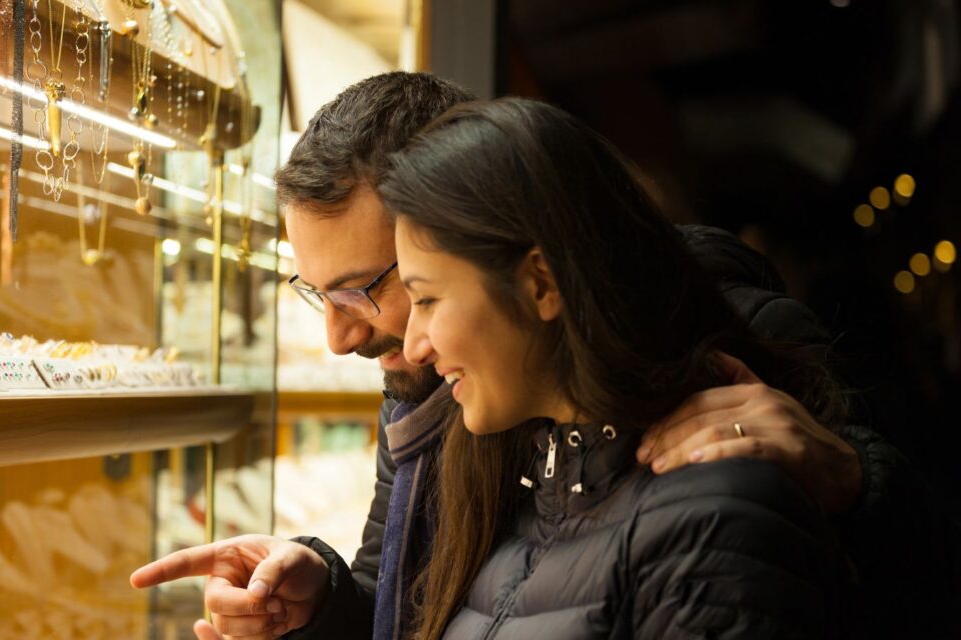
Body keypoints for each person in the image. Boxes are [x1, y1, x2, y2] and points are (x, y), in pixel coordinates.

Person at [130, 73, 956, 639]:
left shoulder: (706, 364)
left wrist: (852, 478)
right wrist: (321, 598)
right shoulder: (462, 394)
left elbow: (878, 567)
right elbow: (427, 596)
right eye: (318, 295)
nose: (341, 335)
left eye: (379, 289)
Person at [386, 96, 851, 638]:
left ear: (541, 283)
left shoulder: (712, 521)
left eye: (426, 300)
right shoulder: (533, 489)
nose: (414, 346)